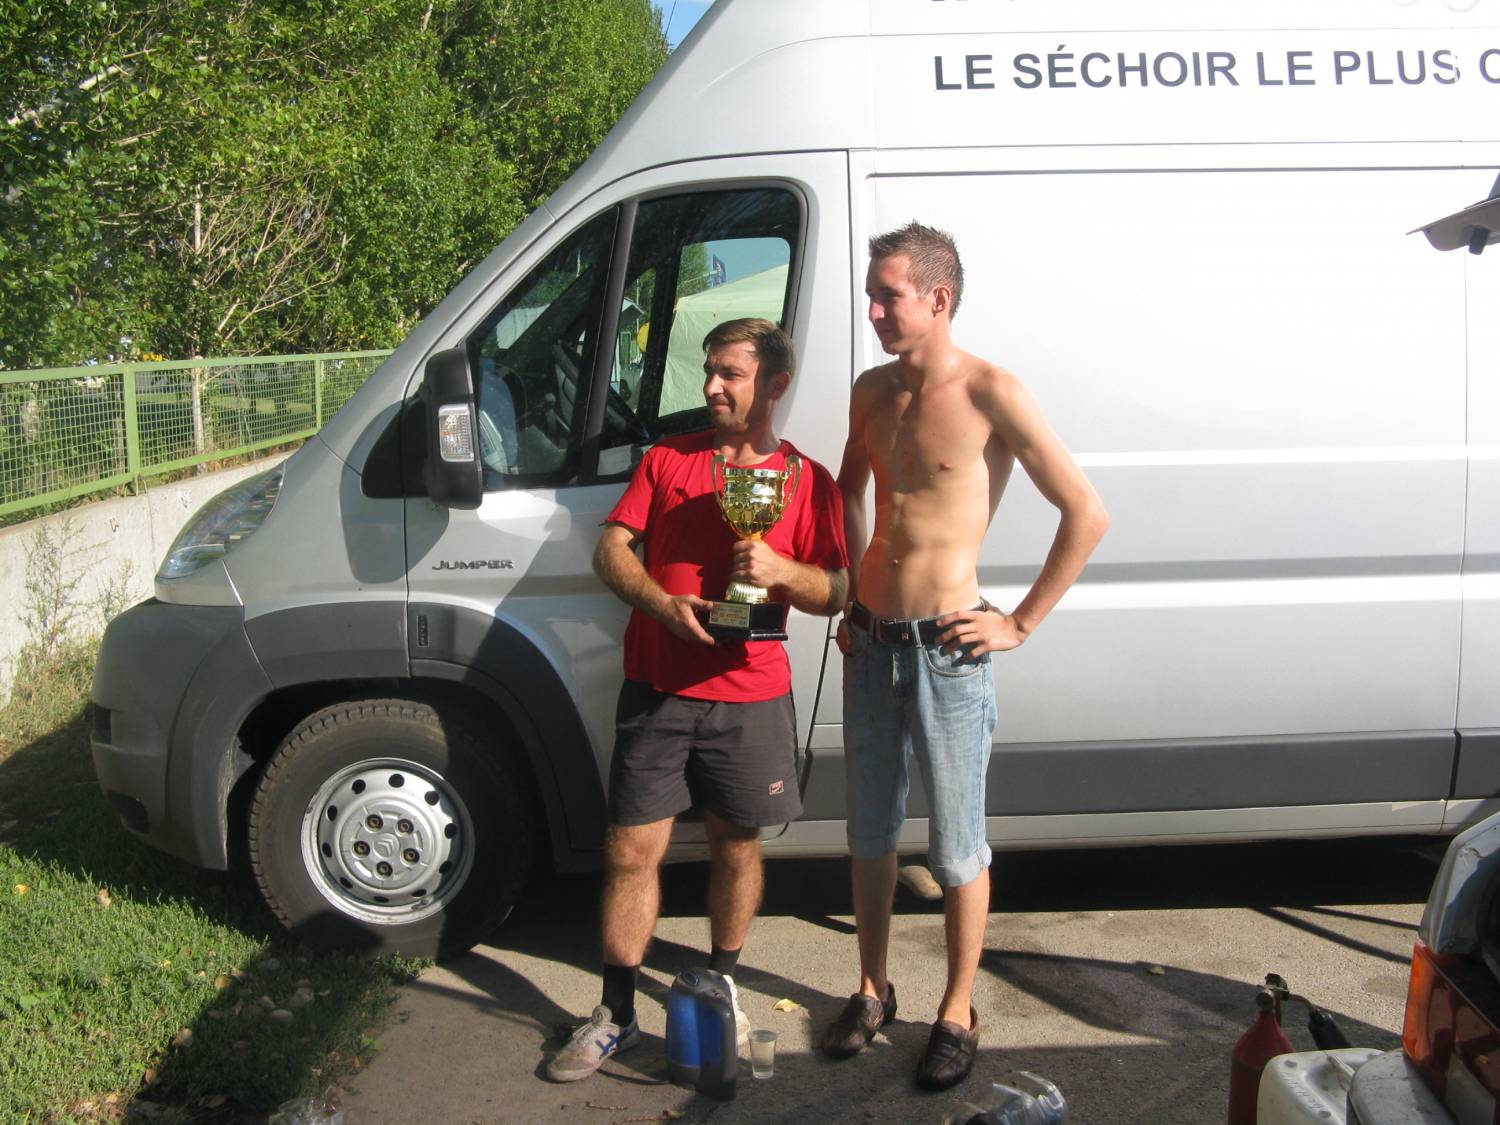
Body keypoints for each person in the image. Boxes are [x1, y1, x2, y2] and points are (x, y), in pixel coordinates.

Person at [823, 222, 1109, 1091]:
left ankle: (956, 1010)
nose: (874, 312)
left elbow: (1086, 512)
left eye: (889, 296)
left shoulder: (992, 391)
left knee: (956, 848)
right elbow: (847, 491)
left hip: (948, 651)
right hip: (873, 642)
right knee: (869, 834)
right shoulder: (872, 390)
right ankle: (872, 988)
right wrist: (850, 590)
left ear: (938, 298)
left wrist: (1018, 622)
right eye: (871, 296)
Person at [546, 317, 849, 1083]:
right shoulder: (669, 459)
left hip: (750, 693)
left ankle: (720, 989)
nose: (711, 386)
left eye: (730, 374)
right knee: (628, 852)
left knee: (736, 847)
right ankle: (616, 1011)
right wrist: (658, 602)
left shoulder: (808, 480)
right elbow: (610, 549)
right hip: (658, 688)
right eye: (710, 370)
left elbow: (838, 589)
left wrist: (780, 571)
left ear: (775, 384)